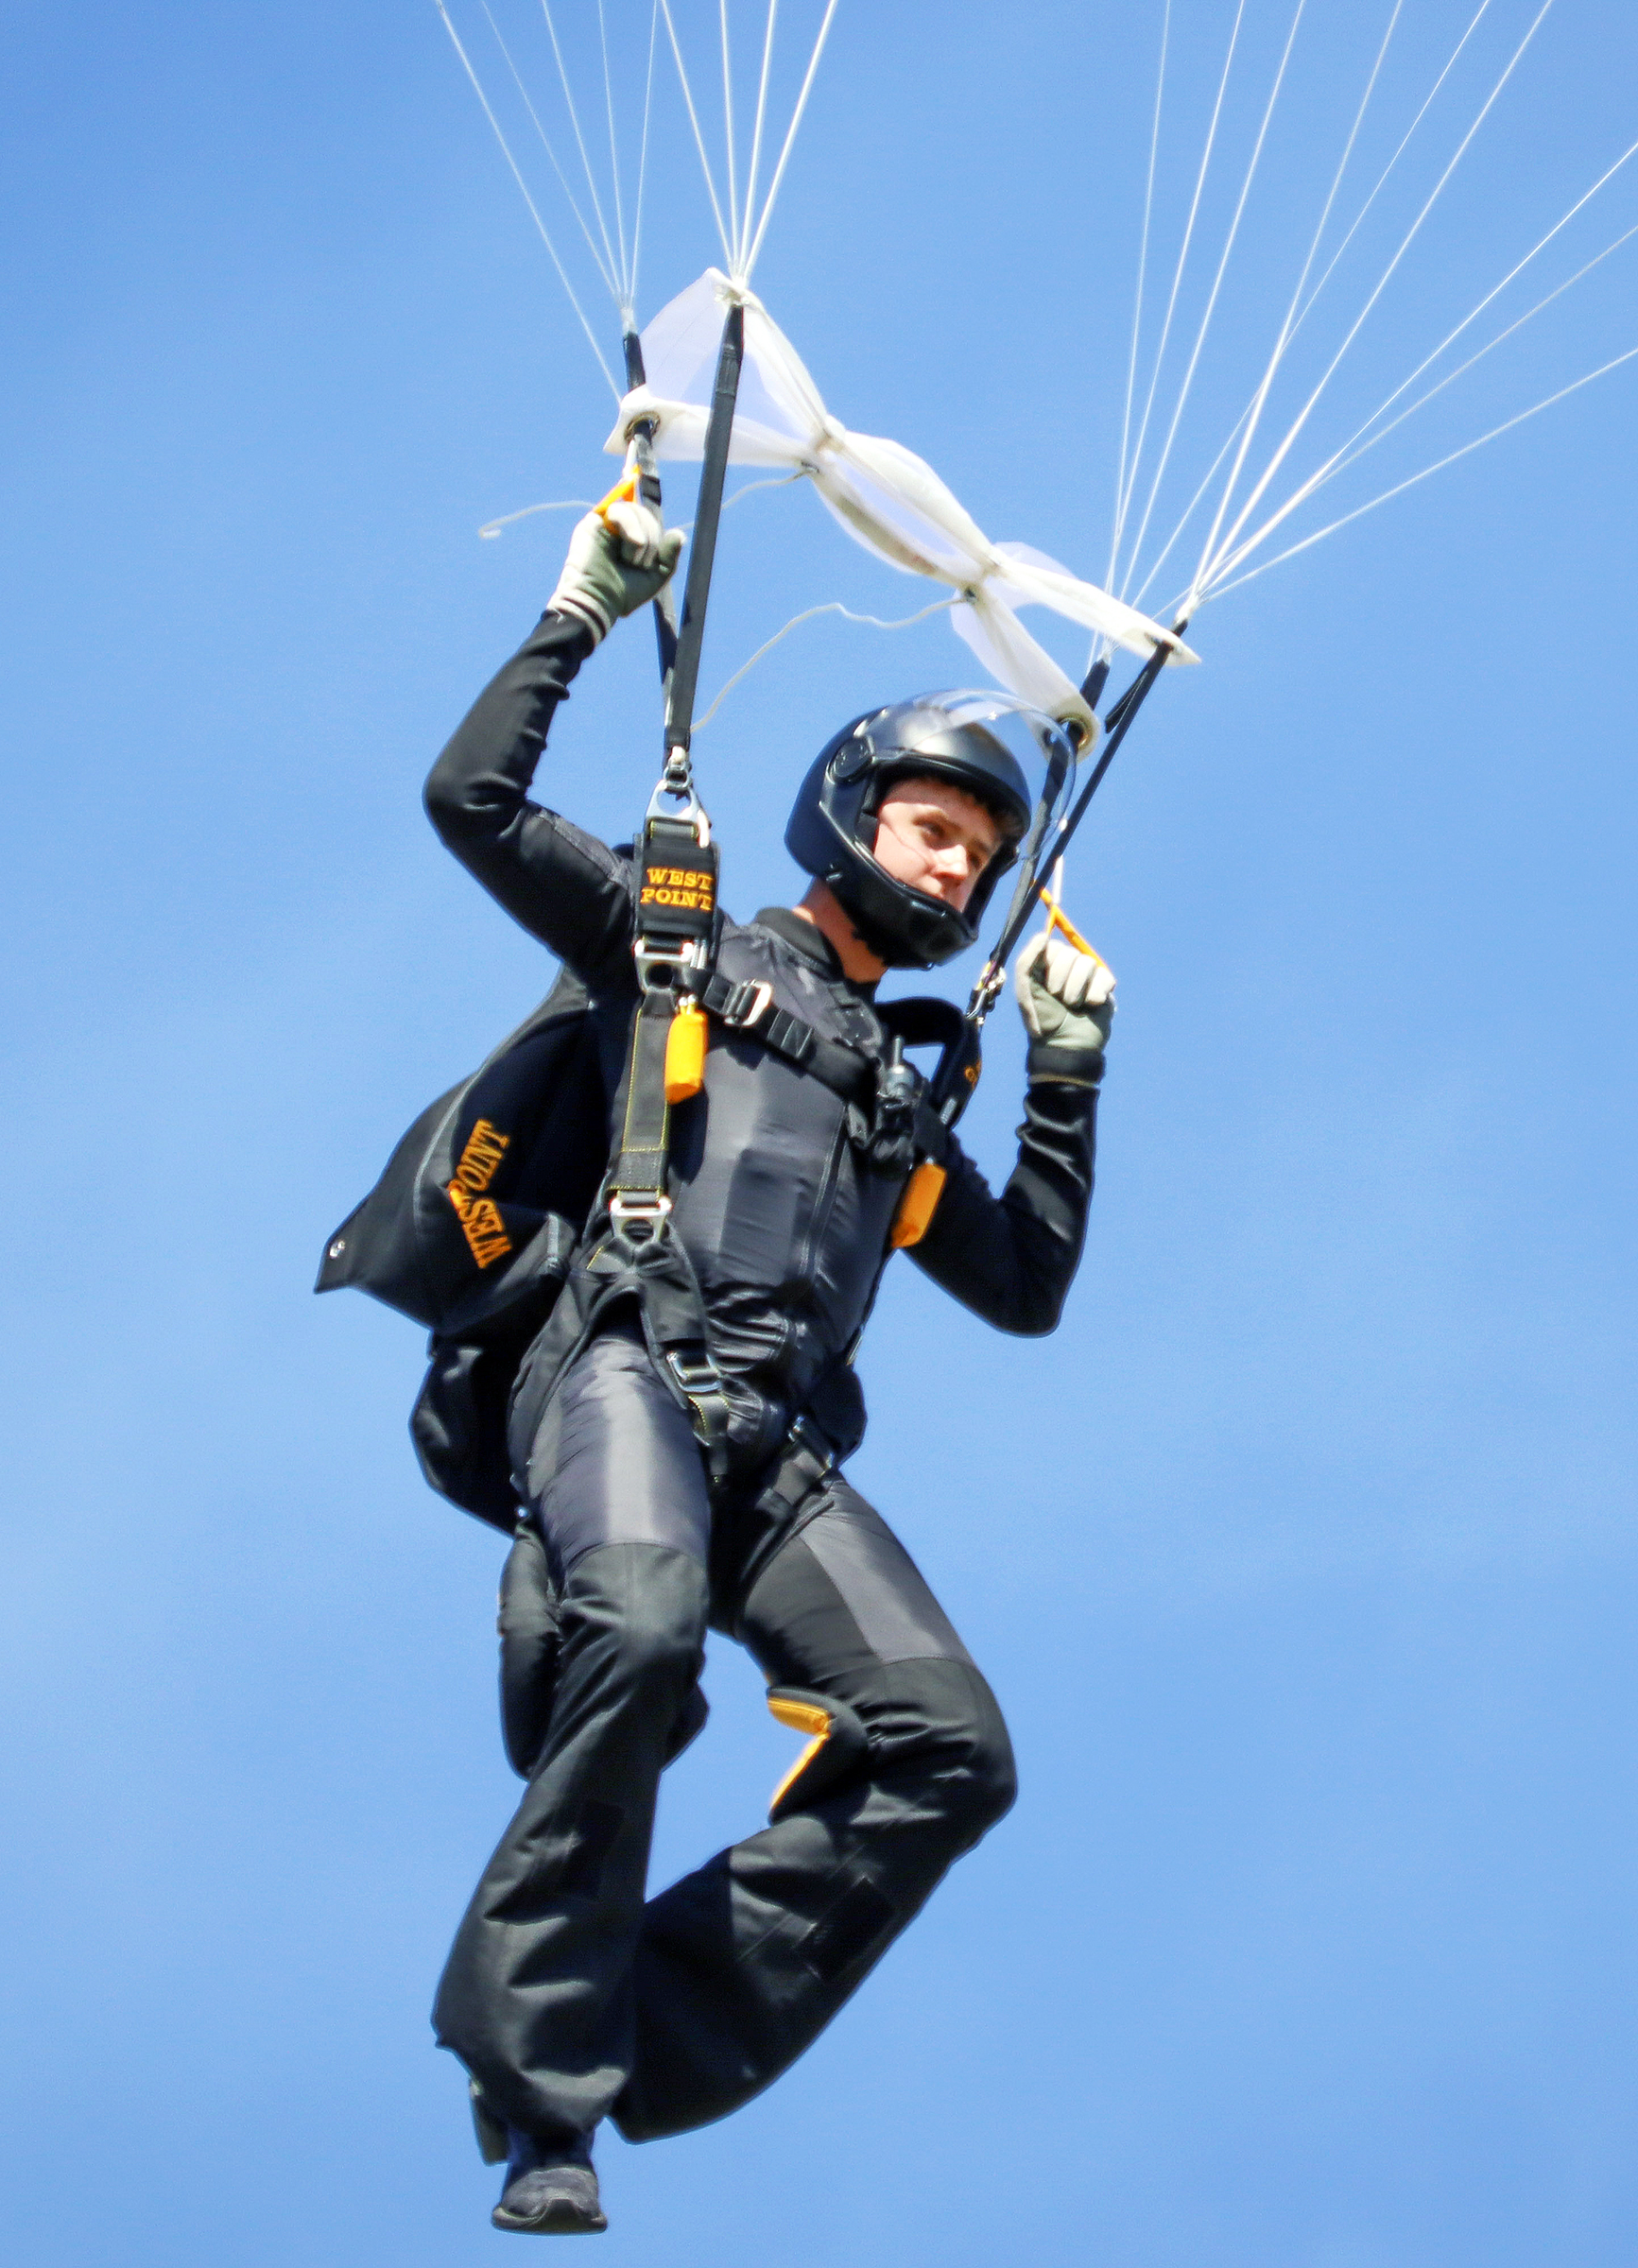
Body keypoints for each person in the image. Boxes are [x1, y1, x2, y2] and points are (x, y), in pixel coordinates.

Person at [416, 498, 1120, 2234]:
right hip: (621, 1371)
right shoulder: (680, 951)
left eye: (977, 851)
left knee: (950, 1749)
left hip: (775, 1449)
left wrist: (1068, 1081)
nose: (956, 867)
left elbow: (1021, 1281)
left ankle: (636, 2037)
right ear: (848, 816)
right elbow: (472, 806)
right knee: (644, 1634)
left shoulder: (897, 1099)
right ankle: (541, 2092)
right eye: (932, 827)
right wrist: (580, 613)